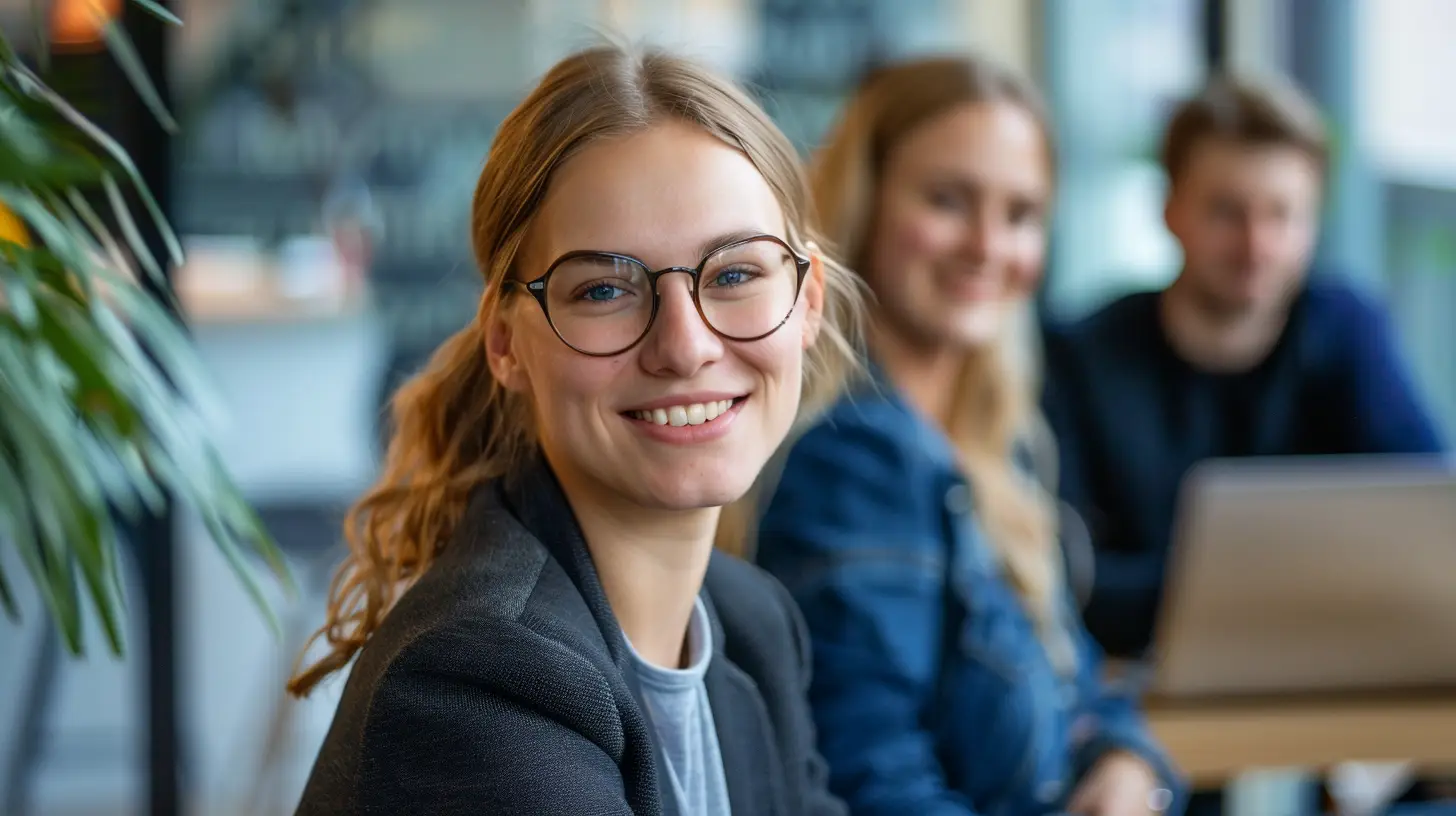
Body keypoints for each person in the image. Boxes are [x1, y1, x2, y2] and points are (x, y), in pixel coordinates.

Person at [286, 44, 860, 816]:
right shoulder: (476, 681)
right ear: (505, 344)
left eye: (733, 274)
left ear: (809, 300)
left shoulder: (751, 625)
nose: (686, 346)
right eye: (603, 290)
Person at [751, 56, 1185, 816]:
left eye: (1020, 214)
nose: (988, 245)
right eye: (949, 200)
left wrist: (1126, 767)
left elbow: (1078, 690)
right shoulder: (857, 457)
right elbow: (874, 785)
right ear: (865, 203)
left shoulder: (992, 447)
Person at [1042, 74, 1448, 664]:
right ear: (1170, 209)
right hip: (1131, 688)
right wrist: (1312, 594)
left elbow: (1429, 530)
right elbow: (1064, 580)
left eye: (1283, 215)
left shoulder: (1347, 331)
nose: (1257, 246)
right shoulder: (1080, 356)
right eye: (1227, 212)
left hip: (1329, 678)